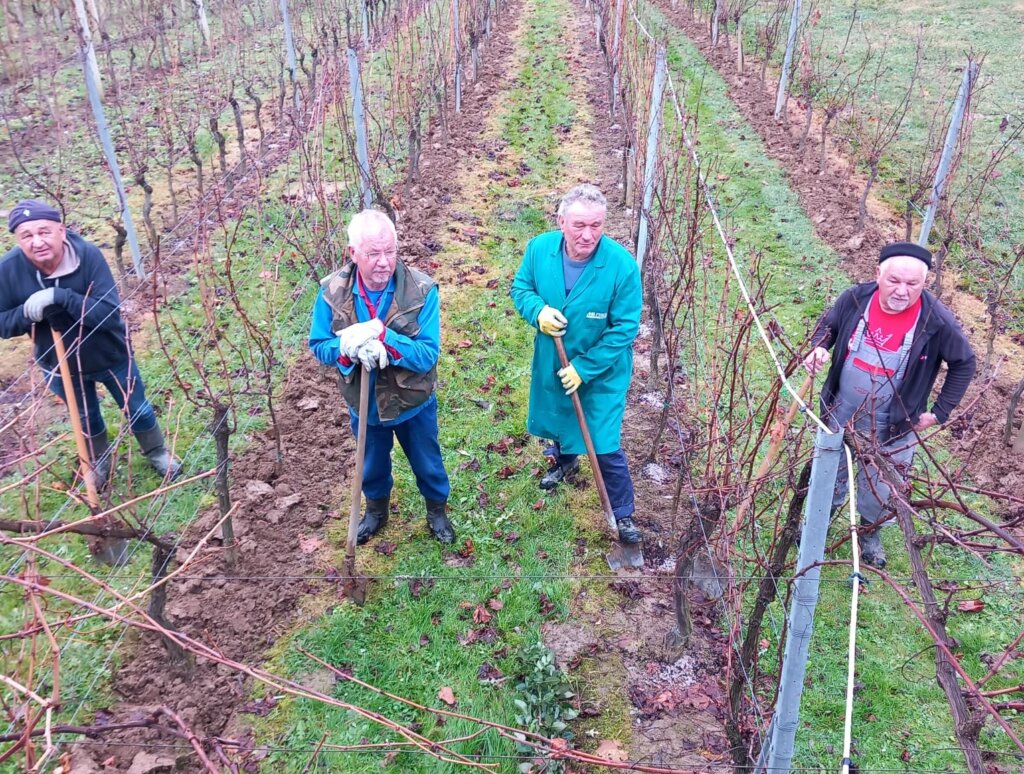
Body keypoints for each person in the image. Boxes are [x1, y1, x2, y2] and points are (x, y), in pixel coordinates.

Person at [804, 241, 976, 568]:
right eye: (894, 281)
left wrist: (939, 412)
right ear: (878, 274)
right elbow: (828, 327)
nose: (902, 291)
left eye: (913, 284)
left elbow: (964, 363)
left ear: (924, 284)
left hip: (895, 423)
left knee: (881, 488)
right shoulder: (855, 298)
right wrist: (819, 347)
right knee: (829, 471)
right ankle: (818, 524)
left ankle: (869, 532)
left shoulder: (936, 321)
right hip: (840, 410)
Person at [0, 200, 181, 487]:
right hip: (58, 363)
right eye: (27, 236)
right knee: (85, 416)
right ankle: (98, 462)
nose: (37, 242)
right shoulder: (8, 270)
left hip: (109, 354)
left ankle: (157, 452)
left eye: (44, 232)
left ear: (61, 230)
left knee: (137, 407)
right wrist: (25, 313)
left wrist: (61, 298)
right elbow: (2, 324)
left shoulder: (87, 257)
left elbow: (108, 313)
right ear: (17, 240)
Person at [309, 209, 454, 545]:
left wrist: (386, 338)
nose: (384, 263)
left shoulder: (421, 291)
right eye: (373, 254)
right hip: (365, 406)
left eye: (390, 251)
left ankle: (436, 510)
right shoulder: (332, 293)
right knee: (371, 464)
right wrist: (347, 348)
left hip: (412, 403)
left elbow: (428, 354)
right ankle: (376, 510)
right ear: (353, 253)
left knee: (427, 461)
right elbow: (319, 345)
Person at [510, 184, 643, 544]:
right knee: (560, 417)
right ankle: (565, 462)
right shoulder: (539, 249)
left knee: (604, 442)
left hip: (603, 372)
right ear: (561, 222)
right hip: (554, 357)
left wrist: (584, 368)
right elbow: (521, 289)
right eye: (579, 225)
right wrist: (538, 312)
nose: (588, 235)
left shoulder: (621, 267)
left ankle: (623, 514)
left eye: (596, 226)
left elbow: (625, 328)